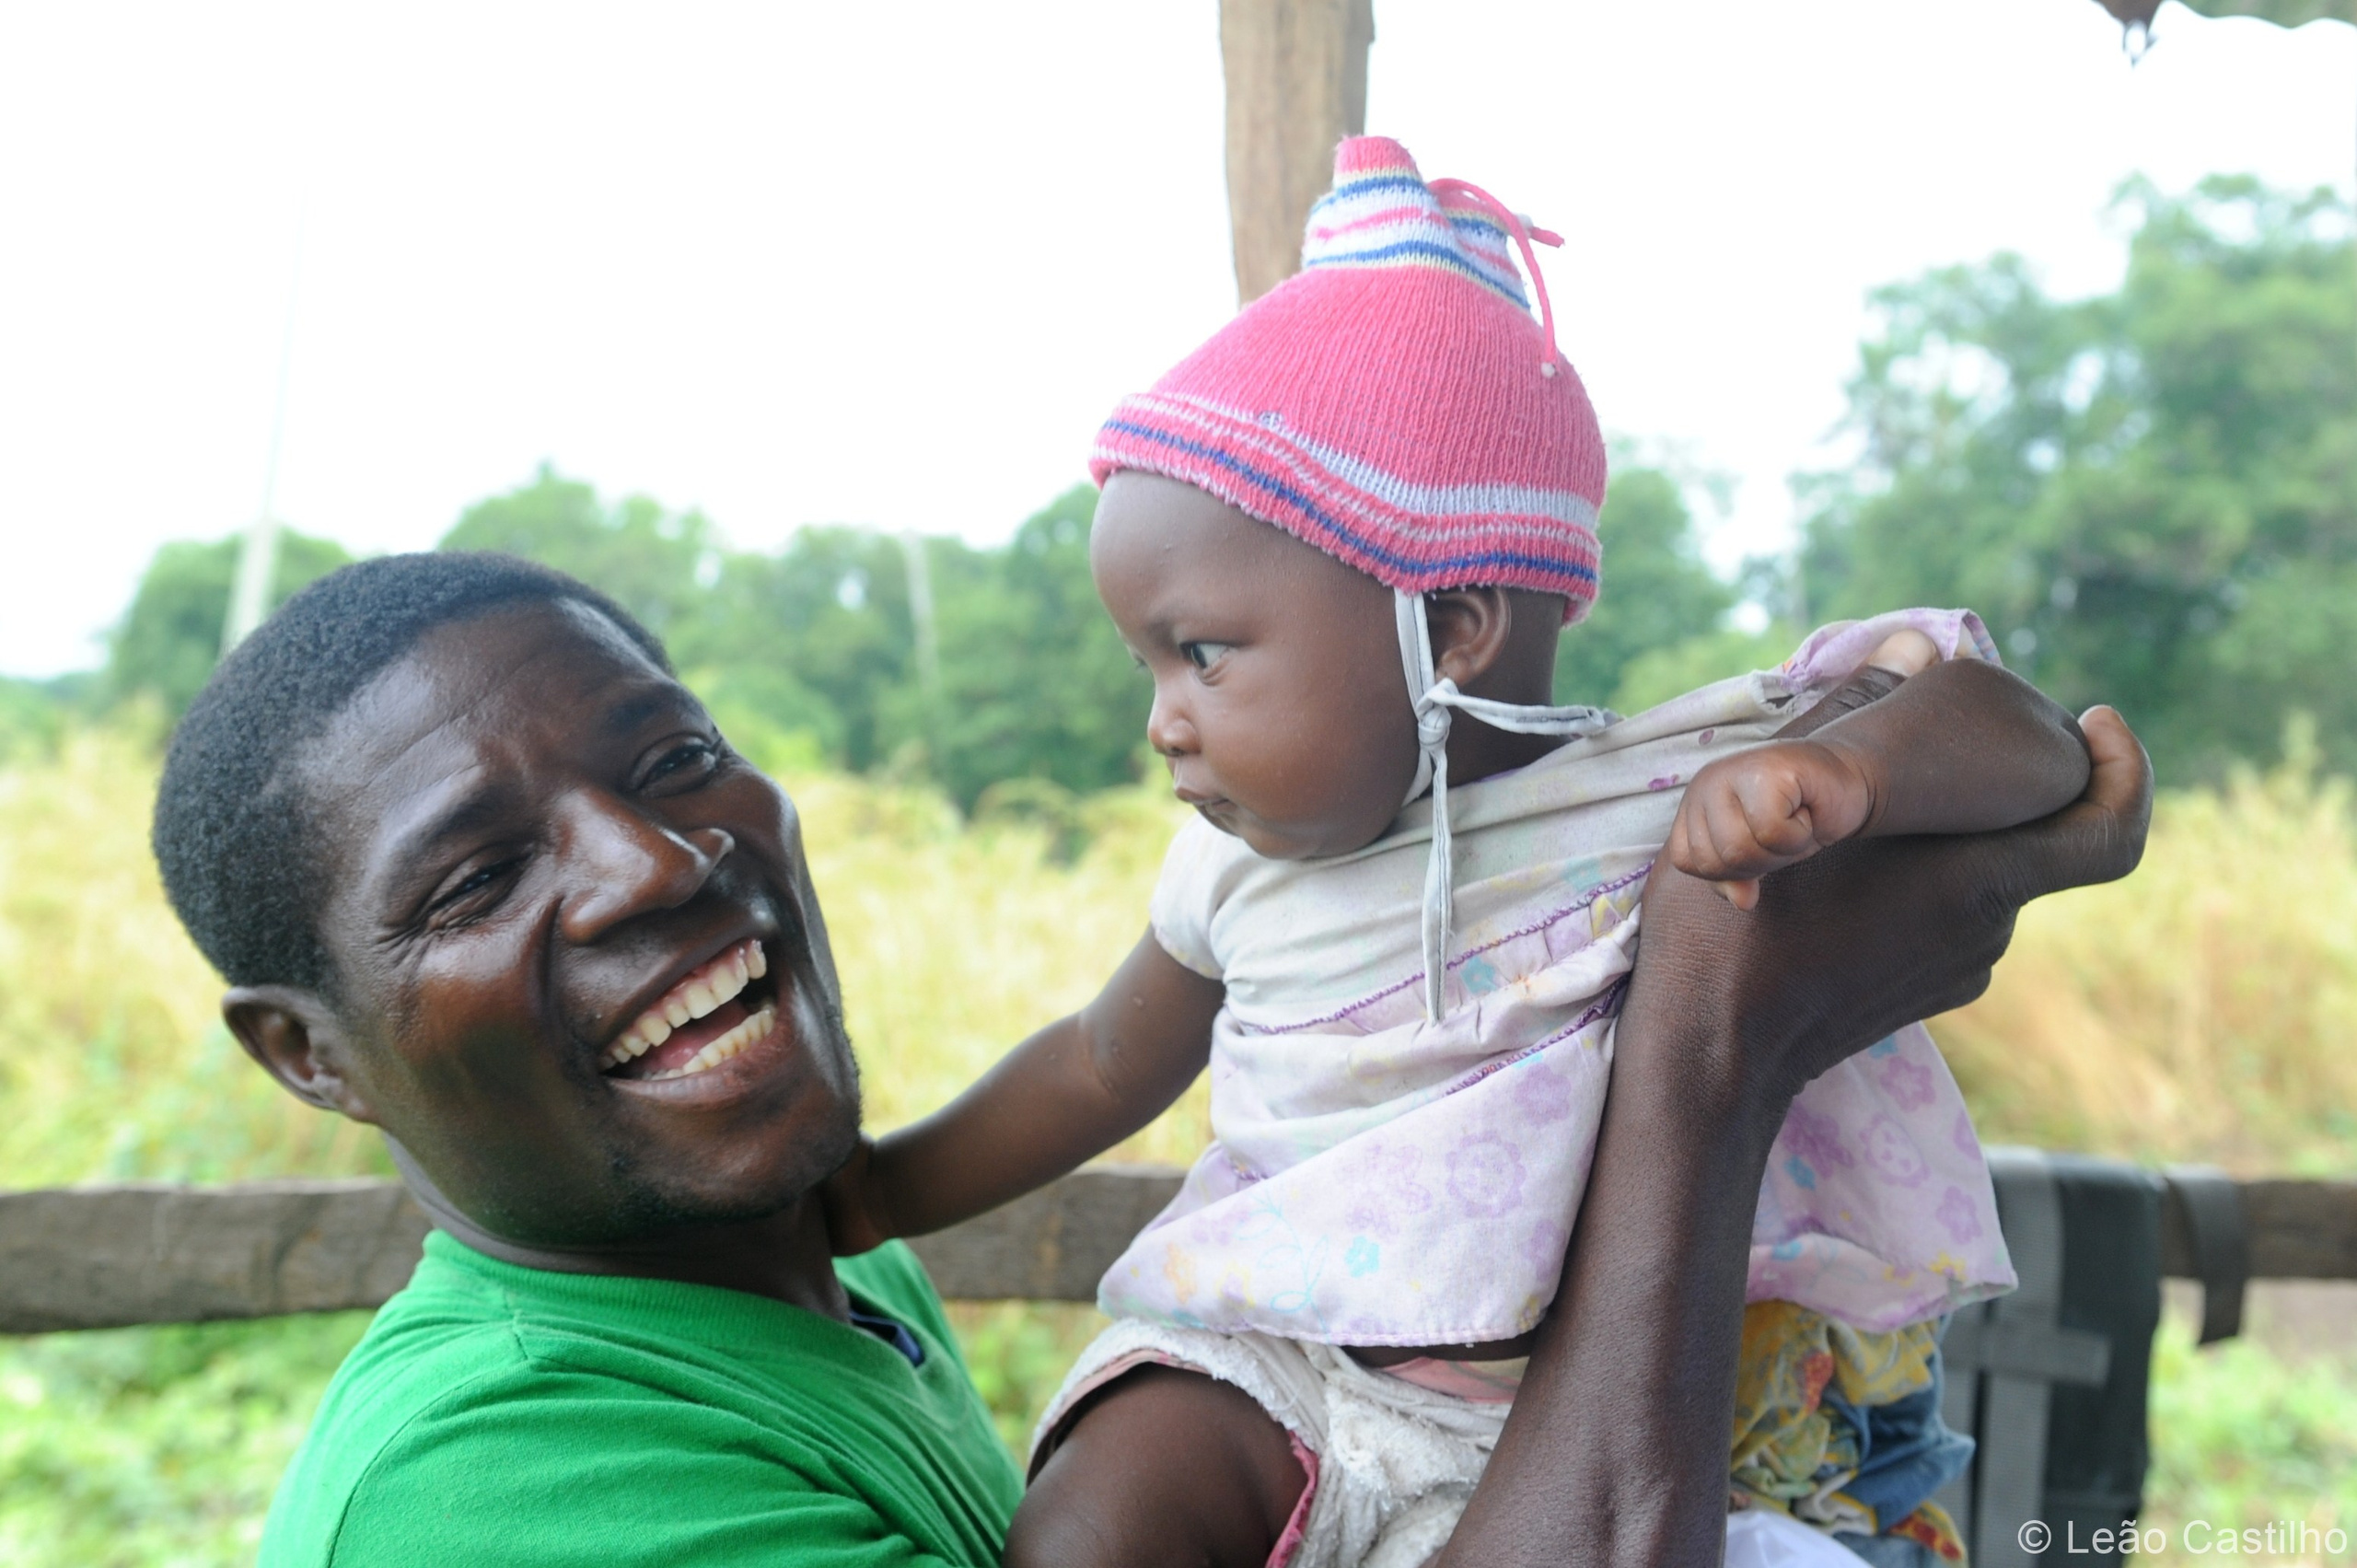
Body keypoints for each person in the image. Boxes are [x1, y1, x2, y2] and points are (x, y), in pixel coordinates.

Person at [148, 548, 2144, 1568]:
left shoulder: (805, 1278)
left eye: (672, 759)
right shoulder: (510, 1488)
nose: (655, 864)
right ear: (309, 1057)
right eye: (475, 878)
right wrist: (1715, 1031)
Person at [817, 138, 2096, 1568]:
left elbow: (2020, 729)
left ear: (1456, 628)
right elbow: (1099, 1063)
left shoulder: (1657, 800)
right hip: (1266, 1365)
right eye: (1149, 667)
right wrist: (879, 1192)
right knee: (1095, 1526)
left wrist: (1847, 772)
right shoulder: (1234, 877)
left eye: (1204, 655)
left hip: (1589, 1414)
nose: (1164, 722)